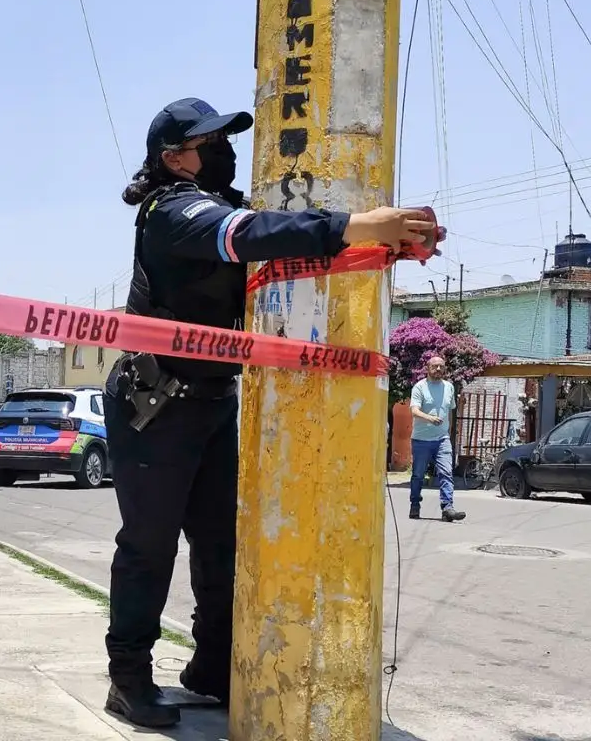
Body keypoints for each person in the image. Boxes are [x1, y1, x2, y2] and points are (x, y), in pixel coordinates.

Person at [102, 97, 438, 729]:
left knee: (221, 547)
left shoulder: (219, 203)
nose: (223, 151)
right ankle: (127, 678)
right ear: (174, 157)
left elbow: (289, 249)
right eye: (209, 142)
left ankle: (210, 667)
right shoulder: (171, 211)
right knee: (149, 547)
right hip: (154, 405)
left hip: (209, 403)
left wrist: (386, 246)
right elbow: (253, 237)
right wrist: (363, 223)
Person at [408, 356, 466, 522]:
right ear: (428, 368)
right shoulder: (419, 387)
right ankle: (415, 505)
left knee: (446, 472)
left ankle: (447, 507)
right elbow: (414, 411)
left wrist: (451, 428)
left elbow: (451, 410)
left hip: (442, 439)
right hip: (421, 440)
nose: (439, 369)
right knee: (418, 475)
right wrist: (429, 418)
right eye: (435, 366)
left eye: (441, 366)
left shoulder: (449, 387)